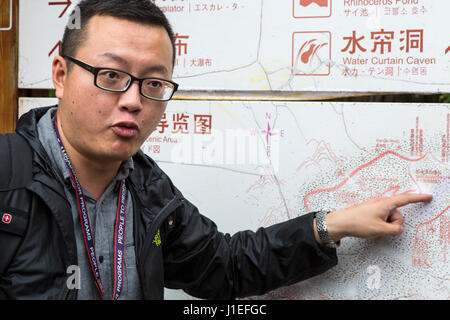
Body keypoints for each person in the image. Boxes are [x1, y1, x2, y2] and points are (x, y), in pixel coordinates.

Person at [0, 0, 432, 300]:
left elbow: (222, 265)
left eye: (153, 83)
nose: (133, 100)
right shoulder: (7, 179)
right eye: (112, 76)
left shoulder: (147, 189)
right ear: (60, 74)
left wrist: (331, 225)